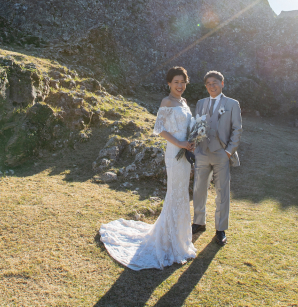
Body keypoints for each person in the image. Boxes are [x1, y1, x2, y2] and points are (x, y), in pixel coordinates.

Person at [99, 66, 197, 270]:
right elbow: (159, 129)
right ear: (169, 83)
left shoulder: (184, 102)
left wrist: (192, 141)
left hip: (186, 155)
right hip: (174, 153)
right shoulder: (167, 101)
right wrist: (180, 144)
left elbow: (188, 127)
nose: (180, 85)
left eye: (183, 82)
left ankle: (179, 240)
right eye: (176, 82)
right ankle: (168, 240)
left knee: (182, 193)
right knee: (175, 193)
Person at [191, 70, 242, 246]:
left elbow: (237, 129)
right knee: (198, 188)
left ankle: (220, 229)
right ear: (205, 86)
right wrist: (195, 147)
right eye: (208, 84)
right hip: (202, 153)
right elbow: (196, 125)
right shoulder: (200, 103)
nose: (211, 86)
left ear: (222, 83)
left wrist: (228, 151)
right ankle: (198, 222)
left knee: (222, 191)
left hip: (222, 153)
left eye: (215, 82)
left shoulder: (232, 104)